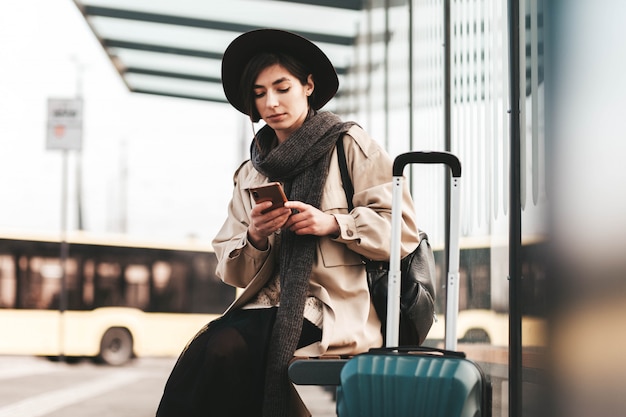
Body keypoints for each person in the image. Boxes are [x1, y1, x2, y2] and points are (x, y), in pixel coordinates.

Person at [156, 28, 420, 417]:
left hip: (331, 308)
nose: (271, 103)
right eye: (260, 93)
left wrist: (332, 225)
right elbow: (231, 268)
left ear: (308, 85)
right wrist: (256, 236)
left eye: (282, 88)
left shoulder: (349, 145)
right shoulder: (251, 172)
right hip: (265, 306)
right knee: (213, 352)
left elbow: (402, 231)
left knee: (221, 348)